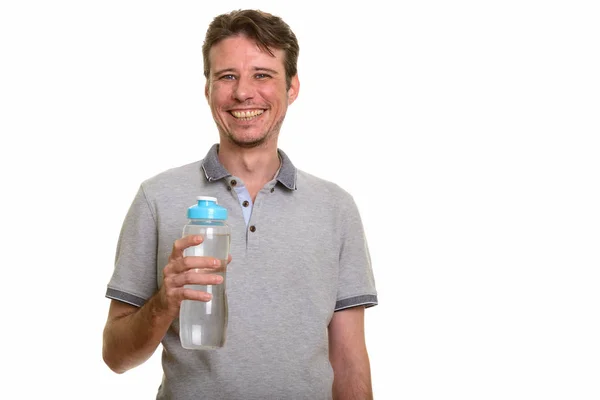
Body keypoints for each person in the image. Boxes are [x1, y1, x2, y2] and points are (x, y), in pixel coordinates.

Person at [102, 9, 378, 400]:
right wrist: (164, 303)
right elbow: (115, 356)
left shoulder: (336, 209)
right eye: (227, 76)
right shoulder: (156, 199)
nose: (243, 92)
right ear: (208, 89)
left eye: (262, 75)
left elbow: (349, 361)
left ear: (293, 87)